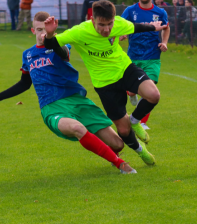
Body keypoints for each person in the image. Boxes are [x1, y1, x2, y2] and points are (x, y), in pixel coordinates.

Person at [0, 11, 137, 174]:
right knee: (77, 128)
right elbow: (24, 84)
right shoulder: (28, 55)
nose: (42, 33)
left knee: (117, 144)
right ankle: (120, 163)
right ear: (32, 31)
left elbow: (63, 53)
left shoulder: (60, 45)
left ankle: (111, 152)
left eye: (45, 30)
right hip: (51, 107)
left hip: (77, 101)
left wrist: (52, 38)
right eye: (39, 30)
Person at [43, 0, 168, 165]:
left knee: (153, 95)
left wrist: (154, 26)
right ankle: (140, 150)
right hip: (104, 84)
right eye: (102, 25)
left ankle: (135, 121)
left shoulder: (118, 23)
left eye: (110, 24)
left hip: (125, 69)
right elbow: (51, 45)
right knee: (122, 130)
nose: (107, 29)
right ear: (93, 20)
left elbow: (136, 27)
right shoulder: (79, 31)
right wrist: (50, 34)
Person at [121, 0, 170, 131]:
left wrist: (165, 43)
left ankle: (140, 121)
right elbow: (121, 27)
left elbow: (166, 28)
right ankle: (131, 92)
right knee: (133, 89)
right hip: (134, 56)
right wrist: (121, 35)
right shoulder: (130, 11)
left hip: (153, 56)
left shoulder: (160, 12)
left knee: (150, 87)